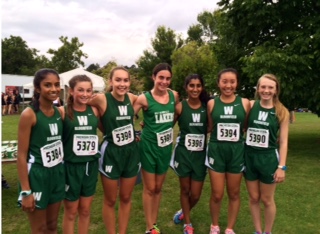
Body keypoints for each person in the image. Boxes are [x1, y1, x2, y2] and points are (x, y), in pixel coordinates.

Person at [88, 67, 140, 234]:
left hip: (131, 153)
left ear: (129, 82)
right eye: (118, 80)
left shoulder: (132, 98)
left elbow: (152, 103)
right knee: (110, 200)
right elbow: (80, 101)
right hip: (111, 153)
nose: (122, 84)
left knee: (126, 197)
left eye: (125, 80)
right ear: (110, 81)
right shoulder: (101, 99)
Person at [17, 68, 65, 233]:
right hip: (37, 175)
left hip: (57, 173)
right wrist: (26, 191)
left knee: (52, 226)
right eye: (48, 85)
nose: (54, 89)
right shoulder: (29, 114)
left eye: (57, 84)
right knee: (40, 229)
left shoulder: (59, 112)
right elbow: (21, 155)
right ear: (38, 88)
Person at [133, 63, 179, 234]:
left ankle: (154, 222)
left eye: (167, 78)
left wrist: (168, 126)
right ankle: (149, 226)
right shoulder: (144, 98)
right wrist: (132, 132)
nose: (164, 81)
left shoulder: (174, 95)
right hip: (148, 147)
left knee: (158, 188)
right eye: (161, 77)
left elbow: (175, 115)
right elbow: (127, 115)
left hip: (166, 147)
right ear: (153, 77)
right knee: (149, 188)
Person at [205, 68, 250, 234]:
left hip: (236, 151)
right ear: (218, 83)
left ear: (237, 83)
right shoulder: (212, 103)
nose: (228, 85)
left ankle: (229, 228)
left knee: (234, 192)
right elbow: (210, 127)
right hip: (217, 151)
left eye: (232, 81)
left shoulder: (245, 103)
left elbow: (245, 126)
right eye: (224, 81)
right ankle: (214, 226)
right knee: (217, 193)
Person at [244, 74, 289, 234]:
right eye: (263, 87)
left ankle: (267, 231)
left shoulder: (282, 112)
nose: (266, 90)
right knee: (254, 198)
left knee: (267, 200)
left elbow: (283, 142)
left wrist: (281, 166)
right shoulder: (250, 105)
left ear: (276, 90)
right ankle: (258, 231)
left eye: (270, 87)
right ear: (258, 88)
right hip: (249, 157)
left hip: (268, 159)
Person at [60, 75, 100, 234]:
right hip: (71, 167)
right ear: (71, 91)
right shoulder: (63, 112)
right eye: (80, 90)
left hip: (90, 167)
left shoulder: (95, 111)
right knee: (70, 211)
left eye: (88, 90)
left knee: (85, 210)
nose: (85, 94)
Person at [170, 74, 210, 234]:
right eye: (191, 85)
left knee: (195, 194)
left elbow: (210, 127)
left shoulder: (207, 107)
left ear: (202, 87)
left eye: (198, 85)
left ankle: (183, 211)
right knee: (185, 190)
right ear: (186, 87)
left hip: (200, 156)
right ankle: (187, 223)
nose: (195, 89)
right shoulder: (180, 107)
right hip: (184, 155)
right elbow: (167, 125)